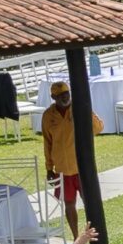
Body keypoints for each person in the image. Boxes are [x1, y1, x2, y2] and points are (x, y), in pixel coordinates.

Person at [40, 80, 83, 235]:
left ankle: (94, 243)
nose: (64, 98)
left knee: (90, 204)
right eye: (60, 96)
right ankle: (77, 239)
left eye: (66, 94)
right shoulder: (48, 116)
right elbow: (47, 142)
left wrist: (86, 110)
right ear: (53, 97)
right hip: (62, 169)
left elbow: (98, 128)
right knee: (69, 204)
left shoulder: (78, 108)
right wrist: (49, 168)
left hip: (81, 167)